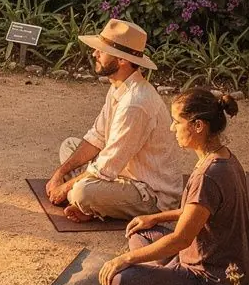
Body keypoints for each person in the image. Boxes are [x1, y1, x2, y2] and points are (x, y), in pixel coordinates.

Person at [99, 89, 249, 285]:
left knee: (119, 280)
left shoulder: (208, 175)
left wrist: (125, 259)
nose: (172, 128)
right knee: (140, 231)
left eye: (177, 122)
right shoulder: (224, 157)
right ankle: (161, 281)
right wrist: (154, 218)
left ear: (198, 126)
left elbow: (181, 239)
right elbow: (197, 211)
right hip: (207, 263)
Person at [44, 17, 182, 223]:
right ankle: (94, 204)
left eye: (102, 50)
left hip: (150, 193)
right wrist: (60, 173)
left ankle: (89, 204)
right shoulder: (118, 86)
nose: (95, 54)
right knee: (69, 146)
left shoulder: (135, 103)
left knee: (82, 192)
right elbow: (97, 137)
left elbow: (106, 166)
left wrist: (65, 187)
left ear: (122, 60)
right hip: (119, 174)